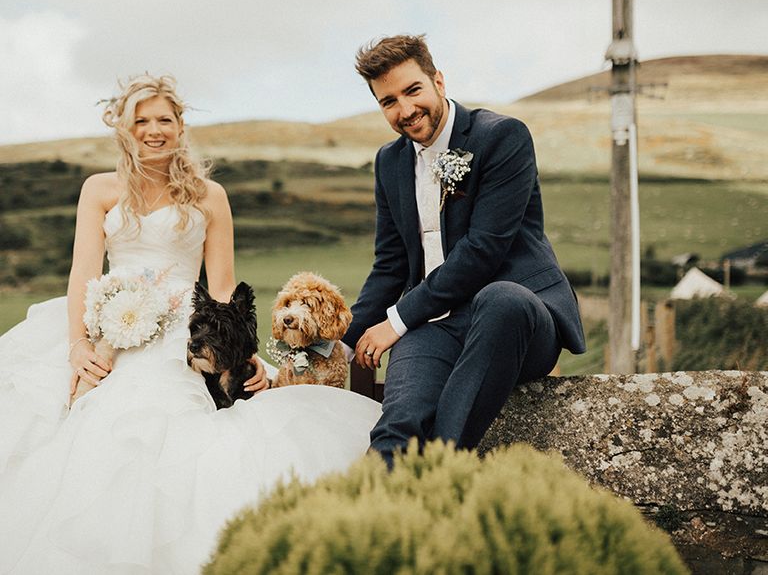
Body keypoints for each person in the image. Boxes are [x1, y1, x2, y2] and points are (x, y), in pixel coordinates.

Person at [0, 75, 380, 574]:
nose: (154, 130)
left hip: (186, 330)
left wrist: (242, 357)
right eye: (142, 121)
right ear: (124, 128)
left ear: (180, 126)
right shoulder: (100, 189)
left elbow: (223, 290)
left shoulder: (209, 195)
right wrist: (77, 346)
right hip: (108, 326)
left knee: (179, 424)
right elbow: (83, 275)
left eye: (165, 119)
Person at [341, 35, 585, 467]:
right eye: (388, 101)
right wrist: (337, 348)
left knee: (501, 298)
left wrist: (394, 322)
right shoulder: (389, 162)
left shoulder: (502, 137)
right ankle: (378, 521)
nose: (405, 110)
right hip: (433, 325)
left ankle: (441, 471)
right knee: (398, 424)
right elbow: (391, 266)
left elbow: (482, 252)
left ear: (438, 80)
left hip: (516, 321)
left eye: (413, 90)